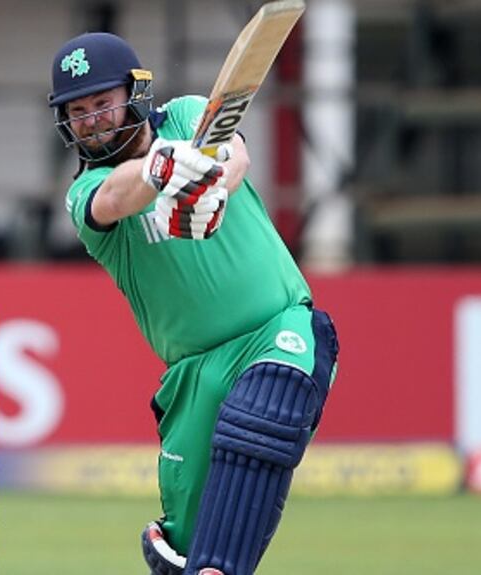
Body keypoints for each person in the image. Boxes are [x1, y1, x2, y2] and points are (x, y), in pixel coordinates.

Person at [47, 32, 339, 575]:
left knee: (263, 413)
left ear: (134, 94)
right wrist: (161, 171)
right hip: (192, 379)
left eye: (102, 103)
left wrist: (209, 183)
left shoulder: (184, 117)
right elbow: (117, 197)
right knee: (185, 551)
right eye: (78, 111)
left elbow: (234, 151)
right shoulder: (85, 192)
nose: (92, 120)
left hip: (277, 329)